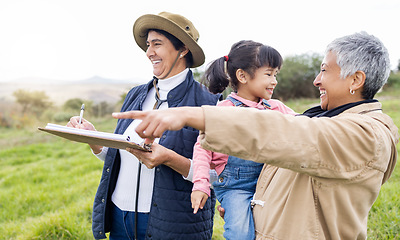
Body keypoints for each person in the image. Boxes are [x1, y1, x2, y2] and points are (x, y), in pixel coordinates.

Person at [112, 31, 399, 239]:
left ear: (356, 80)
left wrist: (192, 115)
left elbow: (283, 132)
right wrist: (250, 203)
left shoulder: (366, 134)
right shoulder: (328, 118)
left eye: (324, 70)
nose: (316, 80)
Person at [67, 12, 220, 240]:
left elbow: (221, 175)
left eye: (157, 44)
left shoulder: (210, 102)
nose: (149, 52)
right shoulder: (137, 94)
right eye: (148, 45)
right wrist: (93, 139)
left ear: (183, 49)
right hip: (121, 216)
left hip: (173, 224)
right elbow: (122, 154)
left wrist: (170, 159)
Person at [190, 40, 295, 240]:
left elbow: (305, 125)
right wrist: (200, 185)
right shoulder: (224, 111)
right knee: (240, 233)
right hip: (235, 187)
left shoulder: (275, 108)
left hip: (270, 182)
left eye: (276, 75)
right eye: (269, 74)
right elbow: (202, 149)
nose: (274, 81)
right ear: (242, 75)